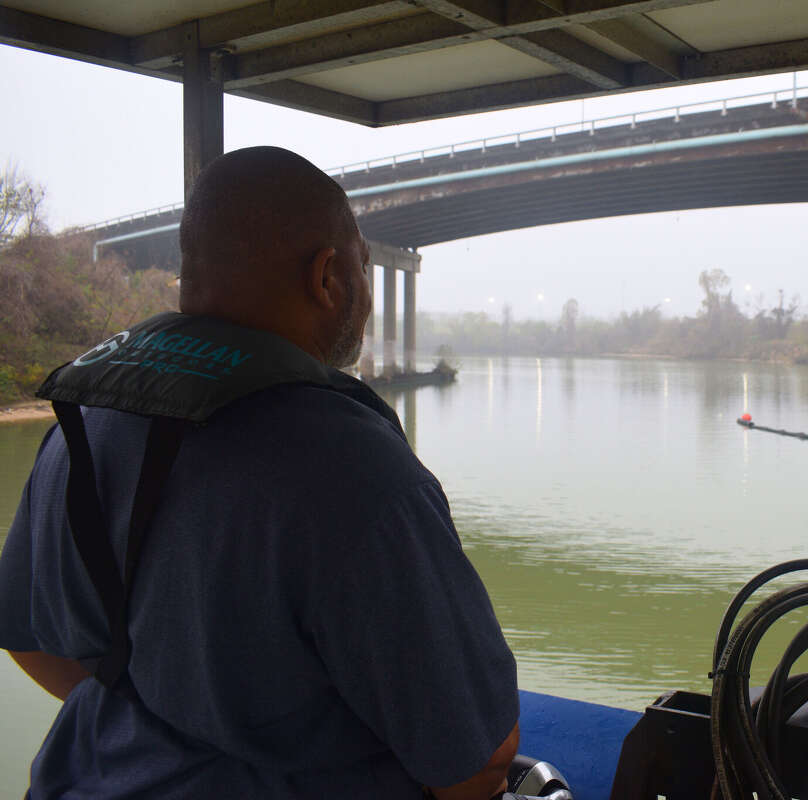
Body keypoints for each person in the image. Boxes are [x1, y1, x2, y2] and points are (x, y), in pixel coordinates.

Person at [0, 146, 520, 799]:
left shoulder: (81, 427)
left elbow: (25, 638)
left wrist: (167, 729)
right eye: (363, 265)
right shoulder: (355, 471)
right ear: (328, 276)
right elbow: (478, 760)